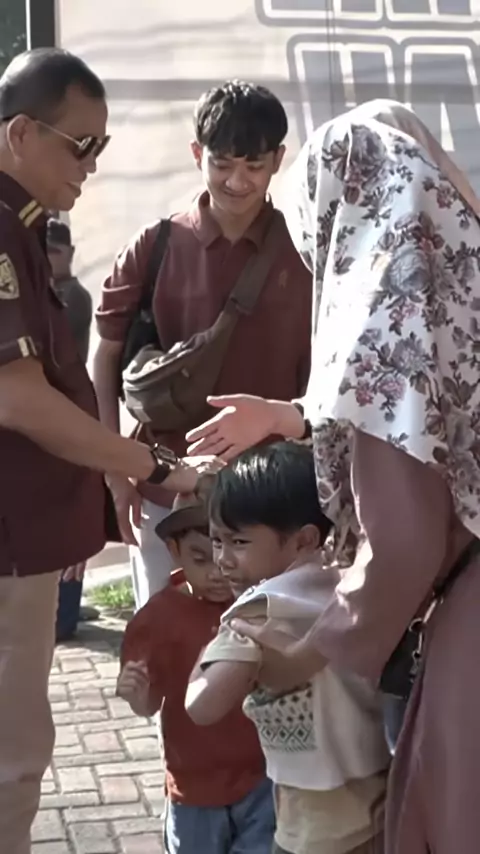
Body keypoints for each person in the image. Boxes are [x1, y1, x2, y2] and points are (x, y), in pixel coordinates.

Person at [185, 100, 480, 853]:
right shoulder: (463, 283)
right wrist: (295, 417)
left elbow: (405, 546)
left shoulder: (383, 319)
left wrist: (311, 652)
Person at [0, 47, 219, 854]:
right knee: (11, 762)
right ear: (21, 133)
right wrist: (152, 466)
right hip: (7, 547)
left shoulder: (23, 227)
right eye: (80, 144)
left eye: (102, 147)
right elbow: (18, 397)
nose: (91, 165)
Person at [94, 79, 312, 609]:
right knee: (164, 638)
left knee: (269, 641)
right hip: (165, 489)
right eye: (222, 163)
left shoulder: (307, 252)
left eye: (254, 165)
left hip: (274, 498)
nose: (237, 181)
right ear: (198, 154)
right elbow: (105, 357)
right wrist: (115, 473)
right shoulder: (154, 246)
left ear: (278, 160)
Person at [186, 443, 389, 854]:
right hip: (377, 788)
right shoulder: (346, 586)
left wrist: (207, 653)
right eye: (217, 542)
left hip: (316, 816)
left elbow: (202, 705)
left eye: (238, 542)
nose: (223, 559)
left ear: (304, 540)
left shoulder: (259, 611)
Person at [116, 482, 275, 854]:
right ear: (174, 552)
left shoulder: (263, 604)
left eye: (228, 554)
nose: (217, 572)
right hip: (193, 784)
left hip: (263, 777)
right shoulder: (156, 619)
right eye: (201, 559)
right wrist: (138, 695)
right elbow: (148, 704)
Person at [47, 217, 94, 639]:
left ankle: (65, 614)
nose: (49, 258)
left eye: (55, 251)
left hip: (67, 416)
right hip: (48, 417)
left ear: (70, 255)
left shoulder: (72, 297)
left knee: (66, 515)